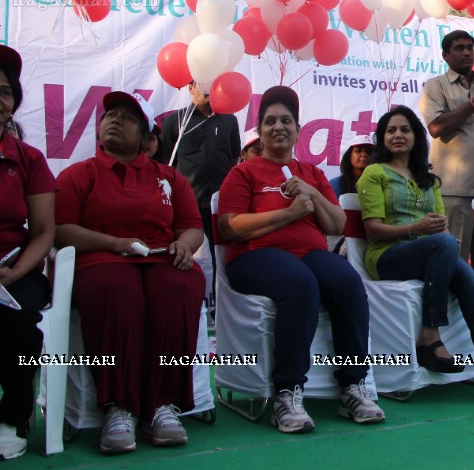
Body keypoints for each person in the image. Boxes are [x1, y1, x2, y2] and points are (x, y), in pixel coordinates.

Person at [217, 86, 384, 434]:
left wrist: (310, 193)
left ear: (297, 129)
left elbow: (336, 223)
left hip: (309, 254)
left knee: (348, 281)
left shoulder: (312, 173)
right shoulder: (243, 174)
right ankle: (287, 393)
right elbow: (230, 226)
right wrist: (288, 214)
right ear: (260, 131)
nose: (278, 127)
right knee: (299, 283)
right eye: (270, 121)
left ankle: (353, 386)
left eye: (286, 120)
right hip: (253, 257)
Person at [54, 91, 205, 454]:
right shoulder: (78, 175)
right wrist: (113, 242)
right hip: (102, 259)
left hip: (159, 259)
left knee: (182, 285)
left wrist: (185, 243)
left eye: (127, 117)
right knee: (117, 290)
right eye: (110, 115)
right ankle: (119, 407)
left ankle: (162, 407)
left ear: (147, 138)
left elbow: (192, 225)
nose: (115, 121)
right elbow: (61, 229)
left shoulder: (168, 178)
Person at [357, 106, 474, 403]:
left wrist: (452, 255)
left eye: (405, 129)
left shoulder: (428, 180)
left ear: (415, 137)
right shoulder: (374, 173)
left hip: (430, 255)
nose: (398, 135)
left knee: (468, 276)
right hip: (386, 256)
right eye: (391, 130)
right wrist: (419, 229)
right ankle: (429, 335)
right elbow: (372, 230)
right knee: (445, 247)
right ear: (382, 138)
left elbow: (441, 229)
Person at [0, 46, 57, 461]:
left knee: (17, 322)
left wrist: (16, 270)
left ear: (13, 104)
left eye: (3, 92)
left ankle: (12, 417)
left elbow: (42, 232)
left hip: (13, 271)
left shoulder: (29, 159)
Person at [420, 30, 474, 279]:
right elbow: (436, 128)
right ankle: (450, 315)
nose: (467, 52)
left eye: (470, 47)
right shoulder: (436, 86)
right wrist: (473, 105)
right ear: (446, 55)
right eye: (459, 48)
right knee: (453, 261)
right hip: (454, 189)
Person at [157, 80, 240, 272]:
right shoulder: (173, 122)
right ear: (190, 87)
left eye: (213, 82)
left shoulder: (230, 120)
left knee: (224, 261)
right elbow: (166, 165)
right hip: (188, 207)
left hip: (222, 206)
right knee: (185, 261)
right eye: (202, 82)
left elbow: (234, 155)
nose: (207, 87)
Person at [329, 135, 373, 200]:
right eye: (358, 151)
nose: (364, 155)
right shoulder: (336, 184)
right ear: (349, 156)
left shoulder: (379, 184)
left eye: (368, 151)